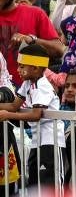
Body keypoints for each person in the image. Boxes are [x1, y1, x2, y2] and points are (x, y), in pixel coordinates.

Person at [0, 43, 65, 186]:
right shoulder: (28, 83)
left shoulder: (42, 86)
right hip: (37, 140)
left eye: (22, 67)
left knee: (51, 186)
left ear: (35, 68)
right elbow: (13, 106)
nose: (18, 70)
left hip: (51, 141)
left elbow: (36, 115)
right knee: (35, 185)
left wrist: (7, 115)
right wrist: (6, 111)